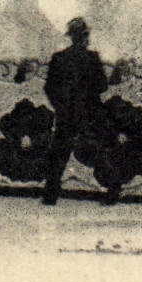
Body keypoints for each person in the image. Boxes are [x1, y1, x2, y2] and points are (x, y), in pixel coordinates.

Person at [41, 17, 120, 206]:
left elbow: (49, 88)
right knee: (97, 153)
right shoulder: (92, 58)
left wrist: (60, 106)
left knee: (58, 154)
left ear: (71, 37)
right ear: (84, 37)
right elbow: (102, 86)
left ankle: (51, 196)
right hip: (89, 113)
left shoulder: (59, 58)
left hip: (66, 114)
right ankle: (113, 191)